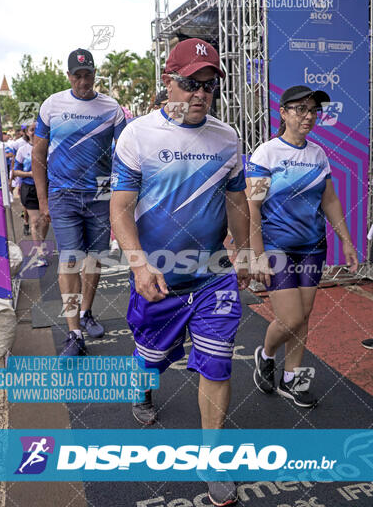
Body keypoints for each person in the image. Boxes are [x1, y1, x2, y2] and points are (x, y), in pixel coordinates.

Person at [110, 38, 250, 507]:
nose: (200, 94)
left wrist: (246, 250)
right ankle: (143, 388)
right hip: (159, 278)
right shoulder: (136, 136)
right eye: (190, 83)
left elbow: (235, 199)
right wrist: (138, 262)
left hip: (213, 275)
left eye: (209, 86)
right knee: (151, 355)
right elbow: (121, 208)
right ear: (167, 82)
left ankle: (211, 459)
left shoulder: (227, 138)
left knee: (216, 362)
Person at [247, 85, 358, 408]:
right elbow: (253, 207)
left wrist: (347, 242)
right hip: (277, 248)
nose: (308, 117)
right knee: (290, 318)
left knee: (304, 316)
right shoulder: (267, 153)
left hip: (312, 246)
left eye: (313, 111)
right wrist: (257, 255)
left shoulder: (318, 155)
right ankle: (266, 355)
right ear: (282, 112)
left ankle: (293, 379)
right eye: (300, 110)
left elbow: (330, 200)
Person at [32, 48, 126, 357]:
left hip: (100, 194)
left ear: (95, 74)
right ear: (69, 75)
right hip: (64, 195)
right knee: (69, 260)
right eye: (78, 75)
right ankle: (73, 332)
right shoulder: (52, 105)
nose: (83, 81)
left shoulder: (111, 108)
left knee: (95, 261)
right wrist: (44, 199)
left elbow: (126, 154)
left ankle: (86, 313)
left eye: (88, 74)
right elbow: (38, 154)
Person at [13, 122, 50, 265]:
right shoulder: (22, 150)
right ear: (27, 132)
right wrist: (30, 173)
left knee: (45, 219)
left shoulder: (48, 147)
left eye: (37, 129)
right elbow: (15, 171)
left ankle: (41, 243)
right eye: (31, 130)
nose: (34, 132)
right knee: (35, 221)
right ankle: (40, 252)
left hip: (46, 187)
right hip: (29, 189)